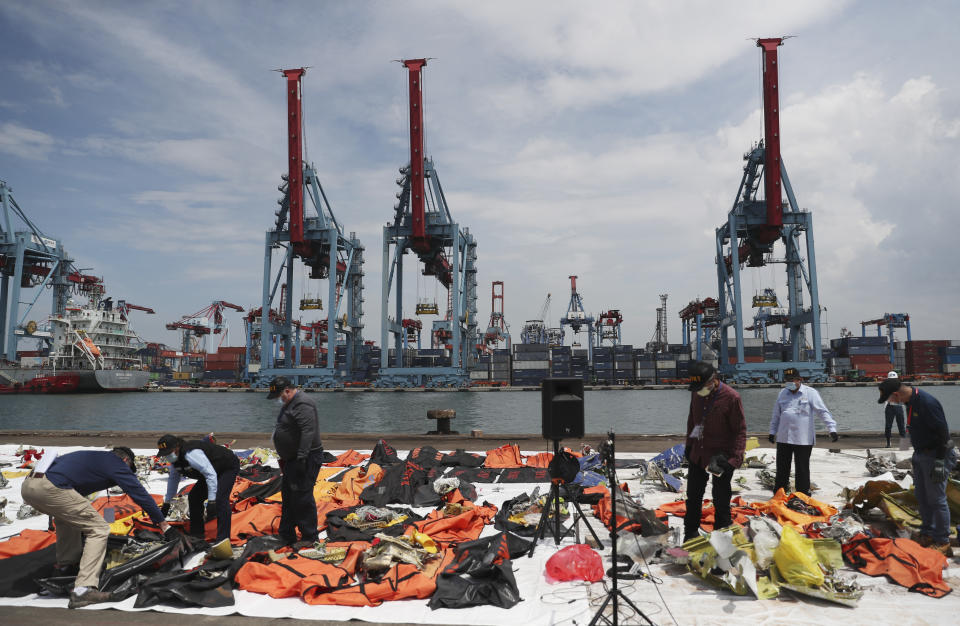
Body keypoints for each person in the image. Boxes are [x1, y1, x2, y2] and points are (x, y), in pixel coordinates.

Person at [20, 447, 171, 609]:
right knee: (99, 529)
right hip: (51, 488)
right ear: (126, 460)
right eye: (129, 469)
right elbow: (139, 493)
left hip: (29, 486)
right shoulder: (116, 463)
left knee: (67, 519)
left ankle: (65, 567)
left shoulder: (94, 458)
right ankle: (83, 590)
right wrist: (162, 523)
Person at [878, 377, 956, 556]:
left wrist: (939, 462)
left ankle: (943, 541)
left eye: (890, 399)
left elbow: (943, 434)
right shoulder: (909, 402)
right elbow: (911, 427)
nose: (890, 403)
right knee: (922, 495)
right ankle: (928, 533)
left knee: (937, 499)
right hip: (921, 454)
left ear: (896, 395)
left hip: (936, 454)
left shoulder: (927, 403)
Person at [682, 361, 746, 543]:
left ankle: (722, 537)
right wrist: (689, 445)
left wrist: (734, 459)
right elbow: (692, 422)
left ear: (713, 381)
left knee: (721, 500)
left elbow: (740, 430)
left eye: (703, 386)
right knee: (693, 496)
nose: (700, 390)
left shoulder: (732, 398)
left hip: (721, 457)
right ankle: (690, 533)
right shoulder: (697, 394)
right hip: (698, 453)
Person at [269, 375, 324, 547]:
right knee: (288, 496)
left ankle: (310, 537)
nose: (279, 400)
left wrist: (301, 458)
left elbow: (308, 431)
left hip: (305, 458)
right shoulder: (290, 404)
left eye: (280, 396)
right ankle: (286, 534)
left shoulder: (303, 403)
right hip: (292, 459)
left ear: (287, 391)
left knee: (302, 497)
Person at [157, 434, 240, 543]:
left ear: (177, 447)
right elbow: (173, 480)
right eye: (165, 454)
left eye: (168, 452)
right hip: (212, 471)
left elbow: (210, 475)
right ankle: (197, 535)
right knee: (194, 497)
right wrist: (167, 503)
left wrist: (211, 501)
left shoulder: (191, 454)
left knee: (220, 500)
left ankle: (223, 539)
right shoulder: (175, 461)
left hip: (227, 467)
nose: (167, 456)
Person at [768, 367, 838, 496]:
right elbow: (776, 415)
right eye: (787, 380)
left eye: (792, 380)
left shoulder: (810, 393)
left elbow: (822, 411)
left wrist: (831, 428)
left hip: (803, 439)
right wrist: (772, 431)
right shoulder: (782, 393)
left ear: (799, 379)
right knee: (782, 468)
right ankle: (779, 494)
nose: (789, 382)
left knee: (802, 469)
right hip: (784, 437)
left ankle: (803, 495)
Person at [882, 371, 907, 448]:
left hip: (899, 407)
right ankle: (888, 443)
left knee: (901, 426)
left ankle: (904, 445)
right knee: (888, 426)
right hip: (889, 407)